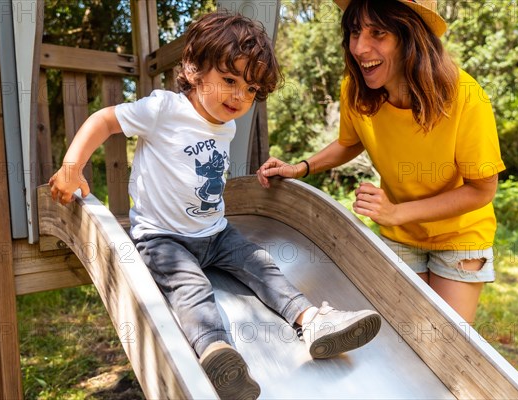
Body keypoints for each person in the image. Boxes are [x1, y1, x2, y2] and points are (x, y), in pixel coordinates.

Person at [48, 11, 381, 400]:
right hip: (163, 238)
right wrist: (71, 167)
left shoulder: (228, 123)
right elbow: (105, 120)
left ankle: (312, 321)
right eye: (229, 80)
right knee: (191, 288)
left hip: (215, 231)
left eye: (251, 89)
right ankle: (216, 354)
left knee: (261, 265)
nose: (240, 97)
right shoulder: (164, 109)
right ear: (192, 70)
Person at [257, 0, 506, 325]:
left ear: (409, 37)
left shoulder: (465, 97)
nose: (360, 47)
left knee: (445, 341)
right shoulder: (356, 89)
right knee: (405, 335)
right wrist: (300, 167)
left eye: (379, 33)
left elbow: (482, 190)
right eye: (355, 32)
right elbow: (349, 142)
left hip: (459, 236)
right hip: (399, 232)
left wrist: (397, 211)